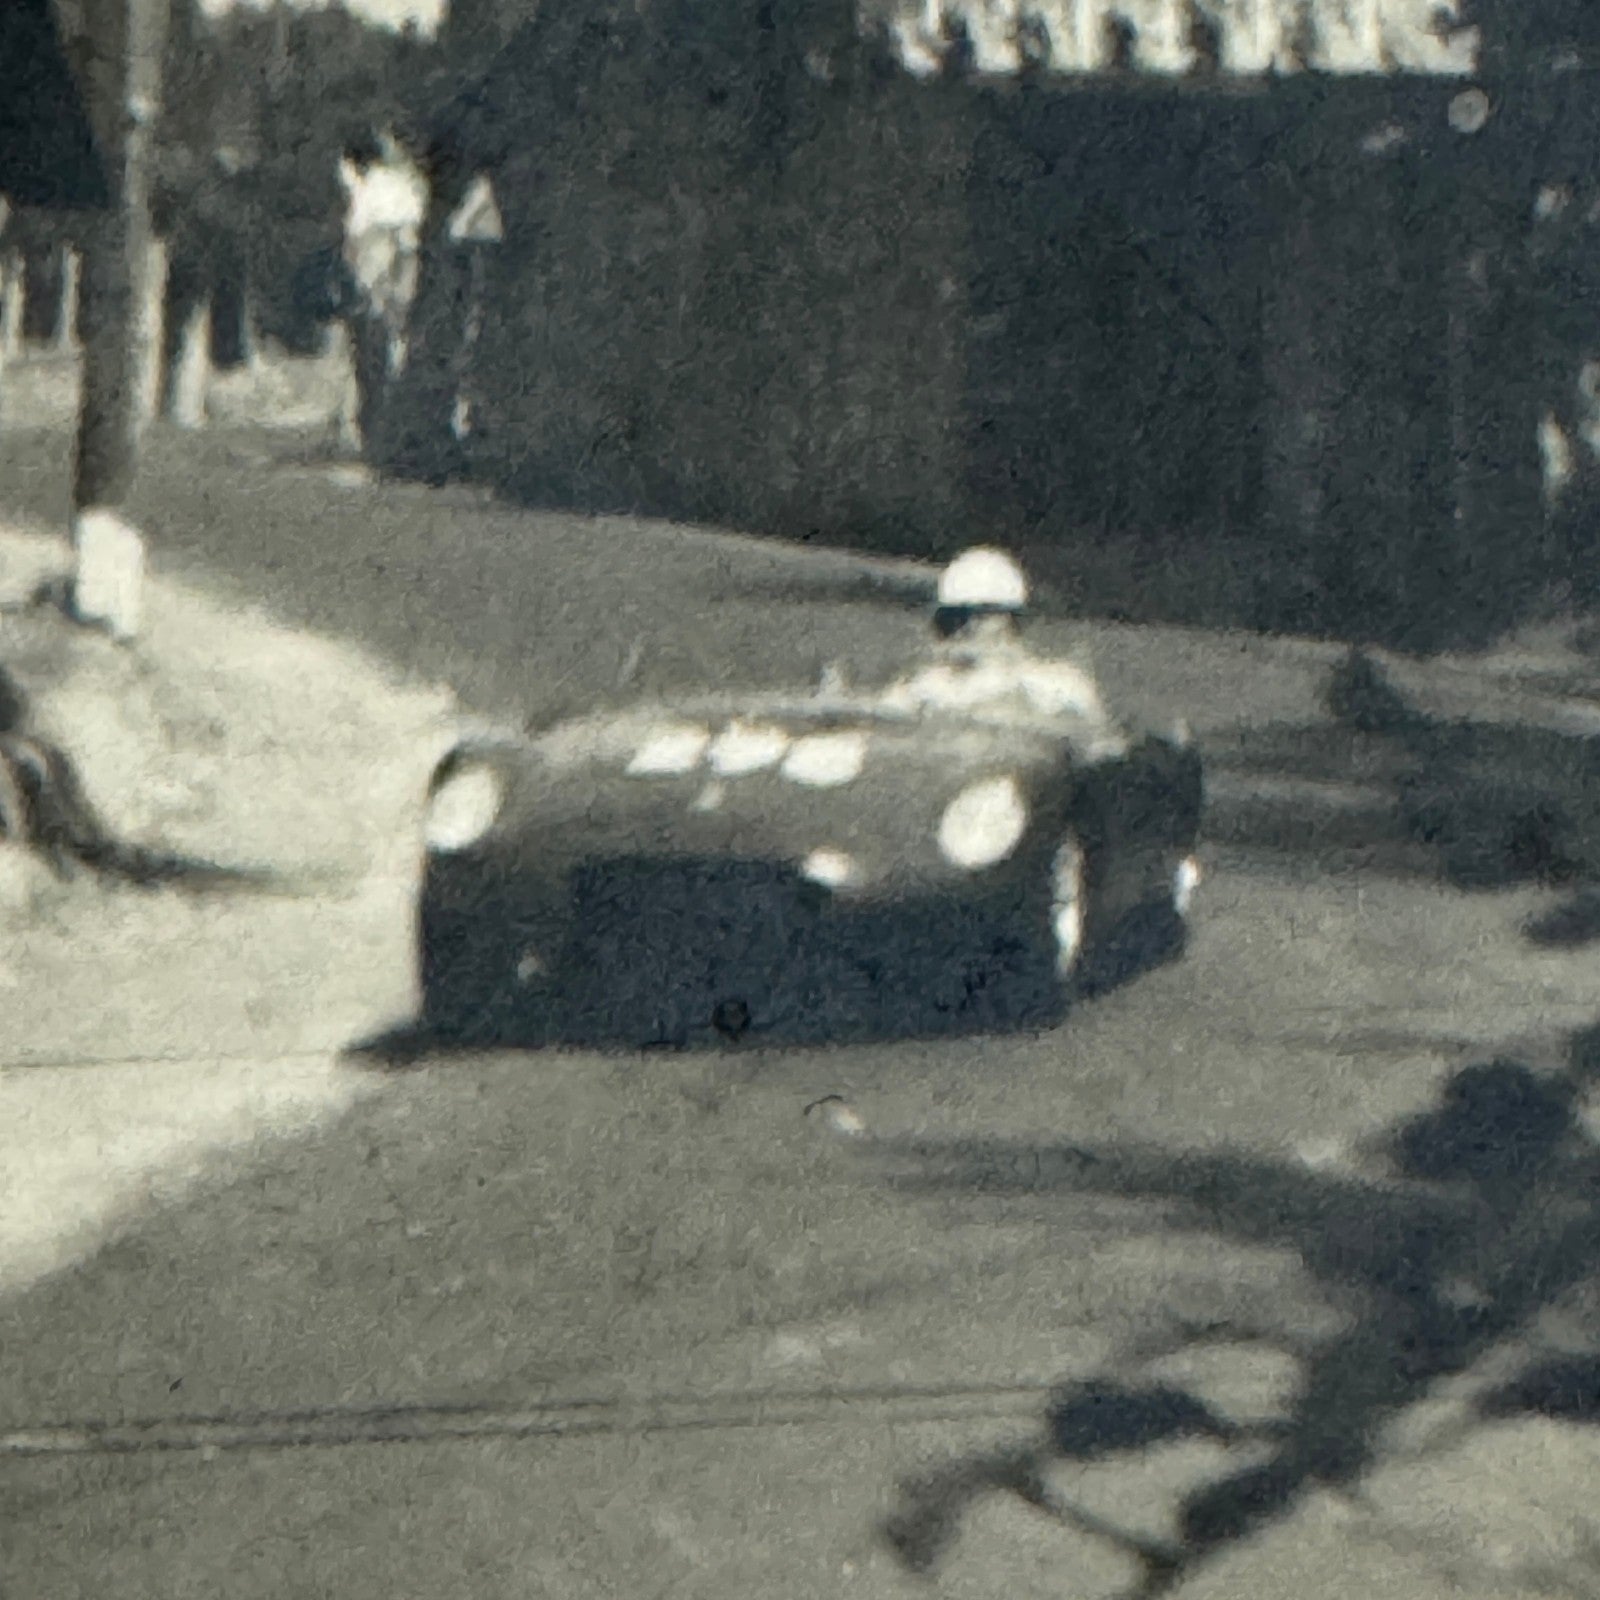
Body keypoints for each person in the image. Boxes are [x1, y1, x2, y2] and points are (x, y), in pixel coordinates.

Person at [881, 546, 1106, 722]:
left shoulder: (1056, 688)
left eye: (980, 616)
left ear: (1010, 619)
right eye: (954, 619)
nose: (967, 628)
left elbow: (1098, 751)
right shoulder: (923, 689)